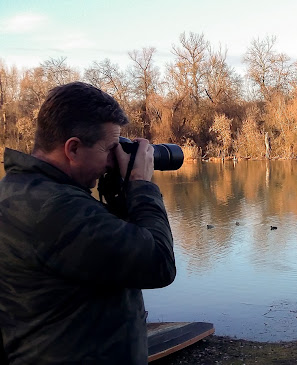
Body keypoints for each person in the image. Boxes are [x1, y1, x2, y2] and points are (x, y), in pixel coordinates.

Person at [0, 82, 176, 364]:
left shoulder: (21, 191)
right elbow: (158, 264)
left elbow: (111, 252)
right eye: (110, 149)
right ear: (73, 149)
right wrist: (141, 185)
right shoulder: (55, 208)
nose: (113, 161)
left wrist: (119, 195)